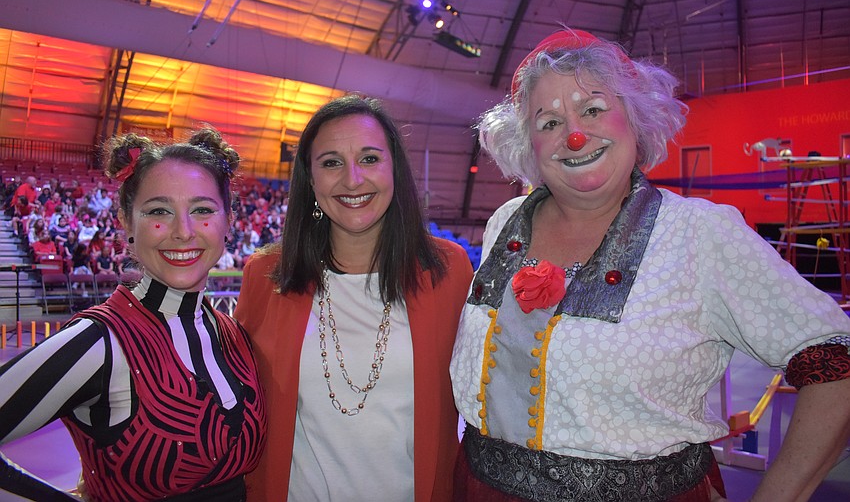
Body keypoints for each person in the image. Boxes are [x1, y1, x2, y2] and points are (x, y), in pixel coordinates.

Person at [449, 29, 850, 502]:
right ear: (528, 144)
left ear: (634, 121)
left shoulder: (700, 233)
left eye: (593, 109)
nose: (574, 135)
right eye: (548, 122)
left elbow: (837, 363)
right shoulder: (504, 224)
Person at [0, 127, 267, 501]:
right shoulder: (99, 341)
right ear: (127, 221)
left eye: (203, 210)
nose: (183, 231)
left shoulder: (233, 334)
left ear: (228, 221)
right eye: (159, 211)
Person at [234, 95, 473, 501]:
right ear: (310, 181)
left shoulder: (447, 271)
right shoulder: (265, 276)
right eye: (330, 163)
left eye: (369, 159)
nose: (352, 180)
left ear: (393, 168)